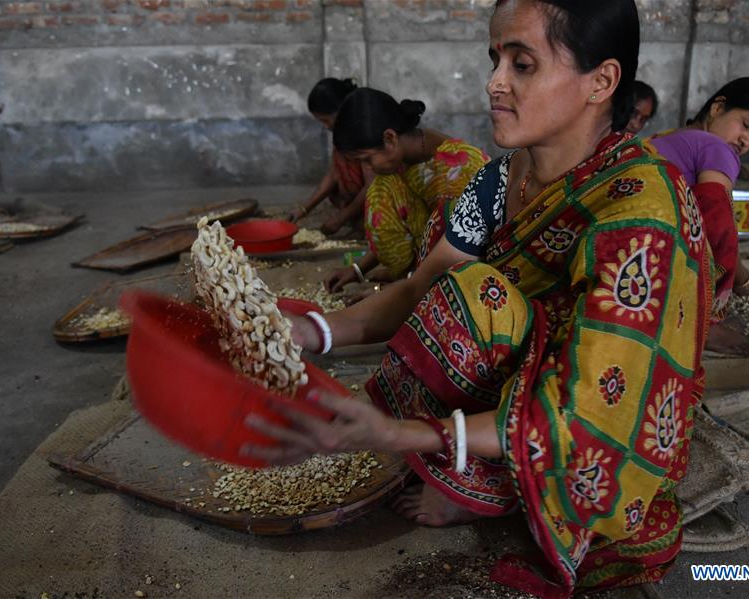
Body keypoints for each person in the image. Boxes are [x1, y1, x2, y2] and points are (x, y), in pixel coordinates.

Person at [248, 0, 712, 596]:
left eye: (522, 64)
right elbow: (419, 287)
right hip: (519, 374)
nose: (494, 83)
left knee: (479, 296)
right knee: (459, 293)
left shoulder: (641, 207)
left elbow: (593, 412)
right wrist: (314, 331)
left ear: (602, 81)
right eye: (495, 60)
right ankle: (473, 453)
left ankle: (482, 478)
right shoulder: (501, 178)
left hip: (593, 415)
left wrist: (412, 436)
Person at [323, 88, 489, 293]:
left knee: (379, 191)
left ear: (390, 138)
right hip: (435, 256)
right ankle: (407, 274)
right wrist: (357, 269)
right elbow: (406, 222)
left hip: (466, 267)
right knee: (383, 187)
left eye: (366, 159)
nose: (367, 167)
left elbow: (457, 252)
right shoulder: (409, 156)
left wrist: (396, 291)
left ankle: (409, 277)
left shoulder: (450, 172)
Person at [649, 77, 749, 320]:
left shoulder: (667, 137)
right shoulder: (717, 147)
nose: (746, 141)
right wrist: (742, 278)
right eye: (746, 124)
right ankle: (707, 324)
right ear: (717, 108)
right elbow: (716, 223)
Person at [288, 78, 373, 235]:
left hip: (381, 194)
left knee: (368, 226)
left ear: (341, 110)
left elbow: (372, 185)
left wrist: (340, 219)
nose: (325, 126)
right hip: (362, 196)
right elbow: (334, 174)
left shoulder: (364, 131)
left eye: (325, 120)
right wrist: (303, 210)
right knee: (335, 195)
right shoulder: (343, 132)